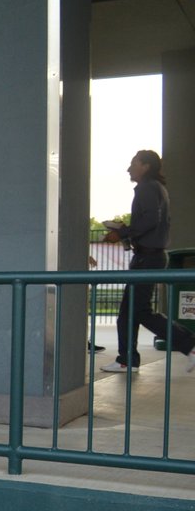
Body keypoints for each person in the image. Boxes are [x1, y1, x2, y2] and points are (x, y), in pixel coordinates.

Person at [100, 150, 195, 374]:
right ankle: (126, 360)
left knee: (140, 311)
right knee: (127, 313)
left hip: (147, 257)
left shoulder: (147, 187)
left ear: (146, 166)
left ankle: (189, 345)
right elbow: (152, 220)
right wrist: (126, 231)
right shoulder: (156, 188)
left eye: (133, 163)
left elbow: (151, 220)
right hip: (148, 255)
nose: (129, 168)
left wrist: (123, 232)